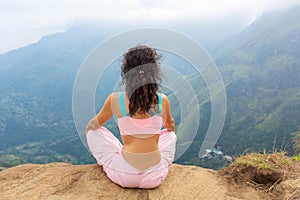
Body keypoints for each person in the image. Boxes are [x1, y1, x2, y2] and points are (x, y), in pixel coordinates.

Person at [85, 45, 177, 189]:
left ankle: (123, 153)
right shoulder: (162, 100)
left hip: (125, 175)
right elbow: (170, 127)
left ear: (127, 72)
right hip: (154, 177)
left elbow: (93, 125)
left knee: (93, 132)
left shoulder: (115, 100)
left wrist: (90, 133)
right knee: (170, 135)